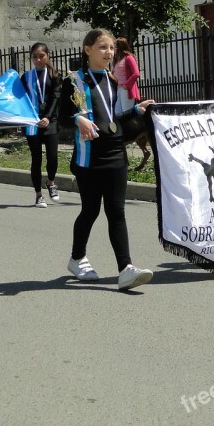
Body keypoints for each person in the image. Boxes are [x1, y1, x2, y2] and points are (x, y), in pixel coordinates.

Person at [59, 29, 156, 291]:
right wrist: (77, 119)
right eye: (103, 47)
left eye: (112, 48)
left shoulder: (113, 81)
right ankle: (77, 258)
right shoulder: (74, 81)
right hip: (89, 157)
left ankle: (125, 268)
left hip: (115, 152)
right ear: (87, 49)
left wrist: (136, 110)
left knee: (117, 212)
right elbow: (62, 116)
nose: (109, 53)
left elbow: (111, 120)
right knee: (90, 210)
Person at [20, 43, 62, 208]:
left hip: (50, 121)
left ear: (48, 56)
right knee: (36, 158)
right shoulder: (26, 77)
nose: (38, 60)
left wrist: (47, 116)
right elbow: (20, 99)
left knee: (52, 157)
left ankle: (51, 182)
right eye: (35, 57)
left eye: (41, 56)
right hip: (32, 123)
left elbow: (56, 97)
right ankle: (38, 195)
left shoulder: (54, 74)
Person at [113, 37, 141, 114]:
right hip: (118, 89)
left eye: (115, 46)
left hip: (126, 89)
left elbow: (136, 73)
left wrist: (126, 86)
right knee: (117, 113)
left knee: (126, 113)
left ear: (120, 47)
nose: (114, 49)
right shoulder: (118, 60)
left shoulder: (129, 58)